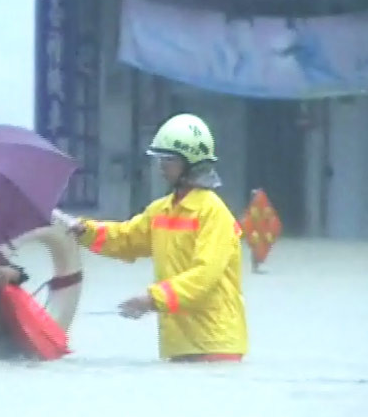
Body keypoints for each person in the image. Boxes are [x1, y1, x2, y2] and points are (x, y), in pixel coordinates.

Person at [53, 113, 248, 362]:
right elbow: (126, 239)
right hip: (178, 345)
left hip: (216, 344)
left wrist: (152, 299)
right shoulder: (162, 210)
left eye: (168, 160)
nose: (161, 167)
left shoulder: (215, 214)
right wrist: (86, 231)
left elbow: (204, 277)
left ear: (189, 163)